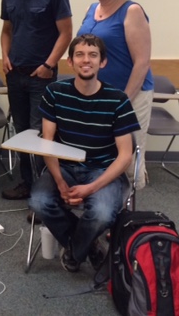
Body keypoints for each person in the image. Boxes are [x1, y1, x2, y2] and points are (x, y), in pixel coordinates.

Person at [28, 34, 140, 273]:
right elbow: (47, 142)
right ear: (70, 61)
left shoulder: (118, 100)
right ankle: (88, 246)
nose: (86, 60)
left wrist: (90, 188)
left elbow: (125, 156)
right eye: (79, 55)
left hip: (102, 170)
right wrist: (60, 182)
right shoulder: (55, 92)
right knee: (38, 202)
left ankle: (74, 251)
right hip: (64, 168)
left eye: (93, 55)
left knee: (102, 213)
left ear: (103, 62)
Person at [0, 0, 73, 200]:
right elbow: (6, 30)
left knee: (41, 134)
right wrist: (5, 56)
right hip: (15, 75)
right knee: (22, 132)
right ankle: (27, 183)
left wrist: (48, 64)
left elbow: (66, 33)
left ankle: (44, 192)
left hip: (42, 77)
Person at [77, 0, 153, 190]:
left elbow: (142, 62)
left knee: (128, 157)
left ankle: (129, 207)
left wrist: (123, 102)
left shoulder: (132, 11)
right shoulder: (91, 9)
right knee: (102, 153)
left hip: (131, 95)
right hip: (98, 96)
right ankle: (102, 202)